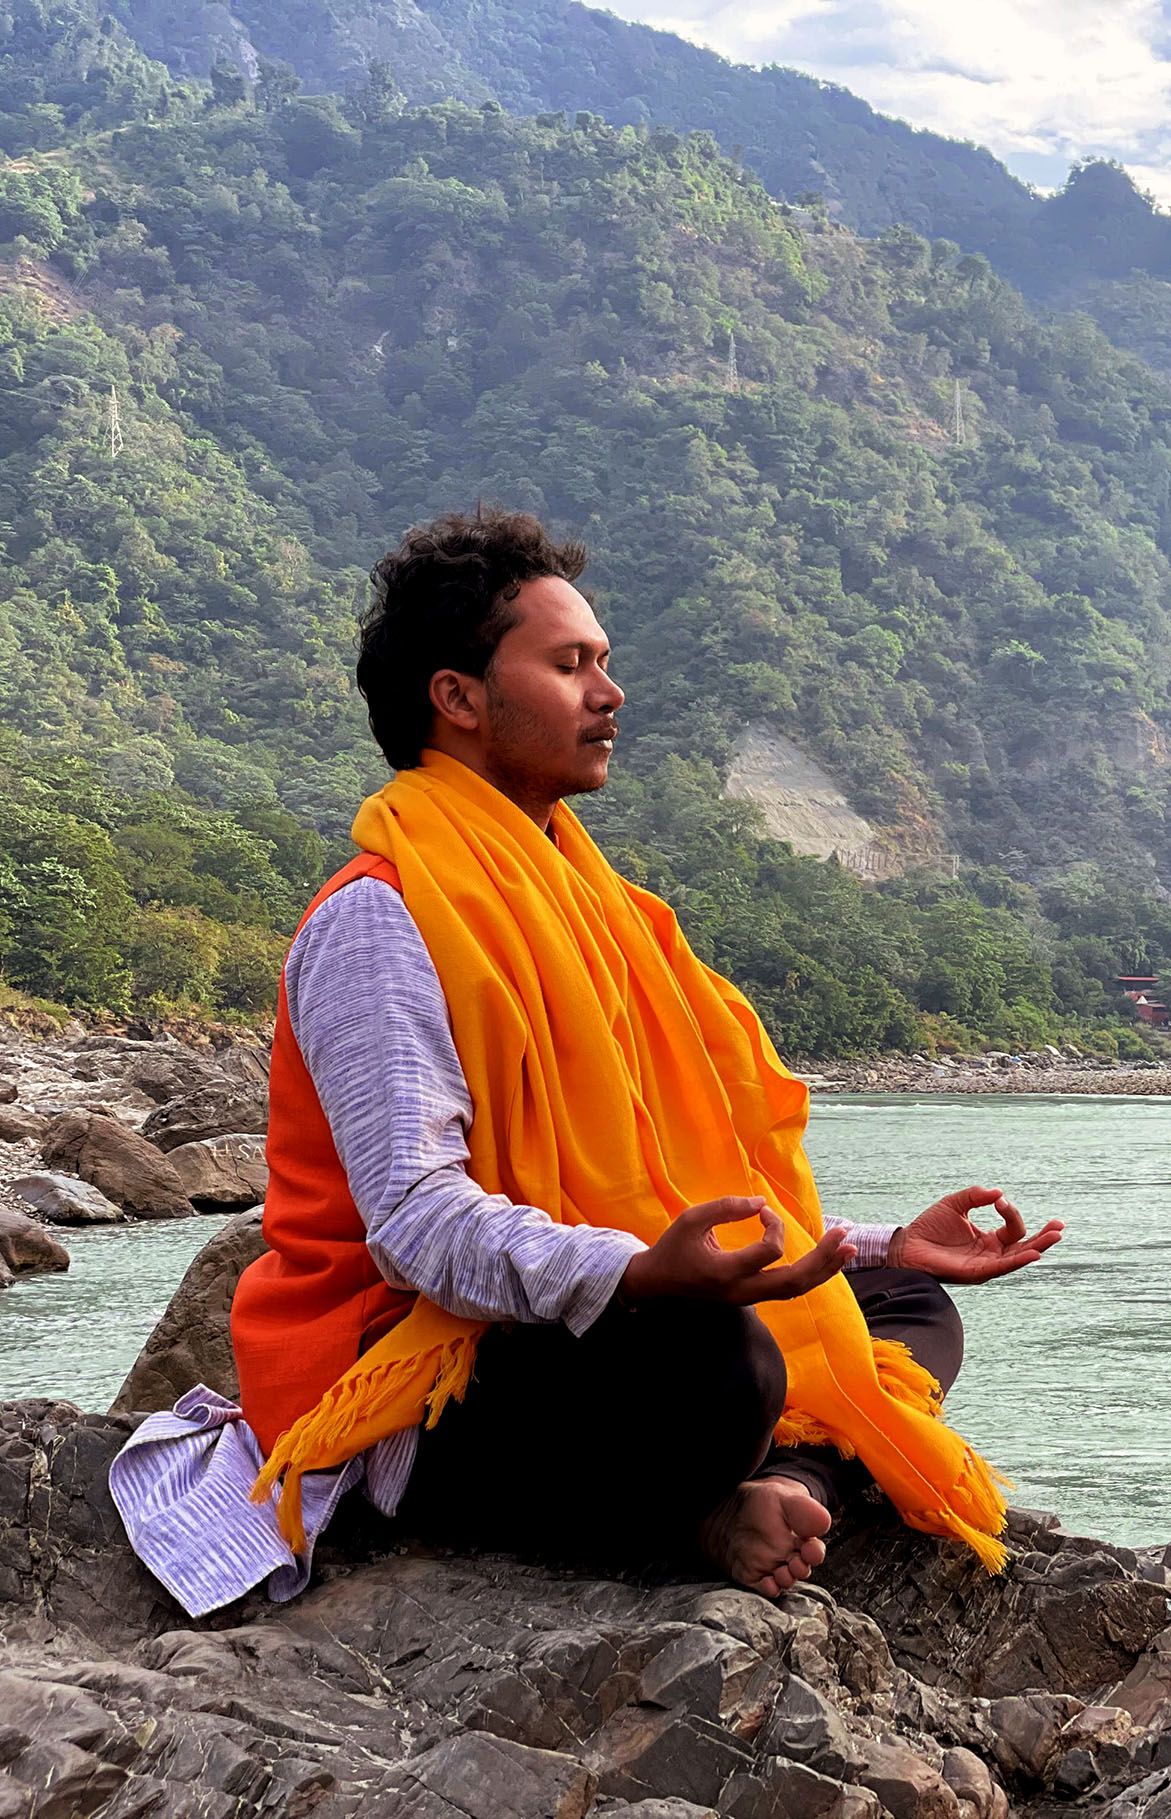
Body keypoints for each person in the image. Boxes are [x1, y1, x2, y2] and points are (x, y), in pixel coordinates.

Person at [110, 509, 1063, 1619]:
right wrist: (638, 1278)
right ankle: (703, 1514)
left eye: (604, 662)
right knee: (723, 1367)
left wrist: (874, 1245)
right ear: (457, 697)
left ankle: (780, 1486)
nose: (608, 692)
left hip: (574, 1322)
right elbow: (415, 1224)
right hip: (417, 1370)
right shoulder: (381, 916)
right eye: (570, 665)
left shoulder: (602, 909)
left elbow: (664, 1178)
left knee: (903, 1301)